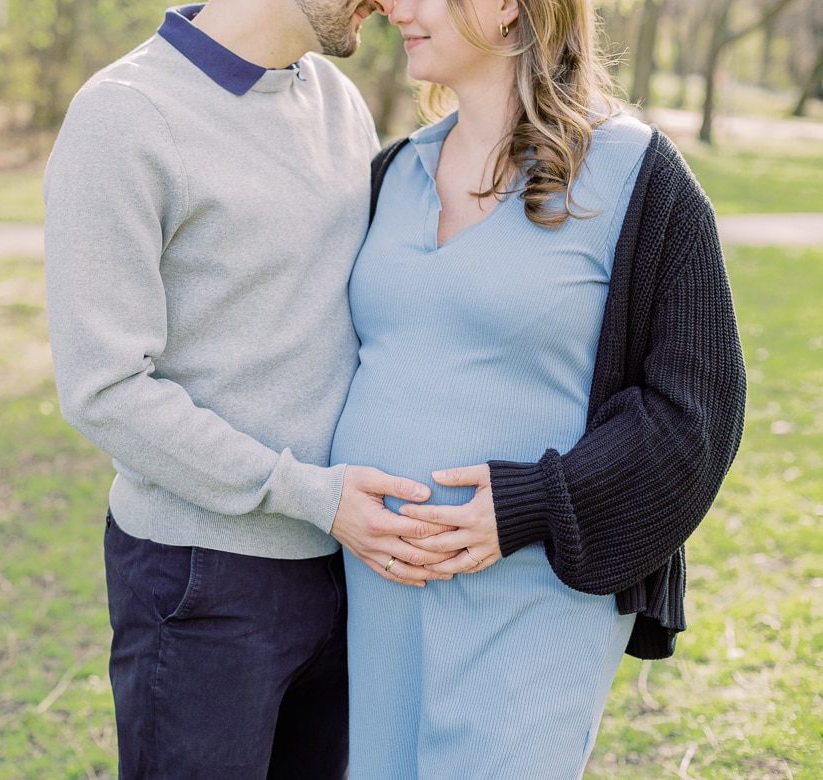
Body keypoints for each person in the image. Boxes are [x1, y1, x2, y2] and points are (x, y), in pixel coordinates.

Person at [329, 0, 747, 777]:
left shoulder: (637, 175)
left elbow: (698, 413)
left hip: (534, 592)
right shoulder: (391, 172)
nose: (394, 6)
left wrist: (533, 504)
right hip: (378, 590)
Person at [42, 1, 454, 777]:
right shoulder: (123, 116)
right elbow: (105, 388)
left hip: (345, 562)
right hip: (204, 578)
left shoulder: (335, 99)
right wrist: (304, 492)